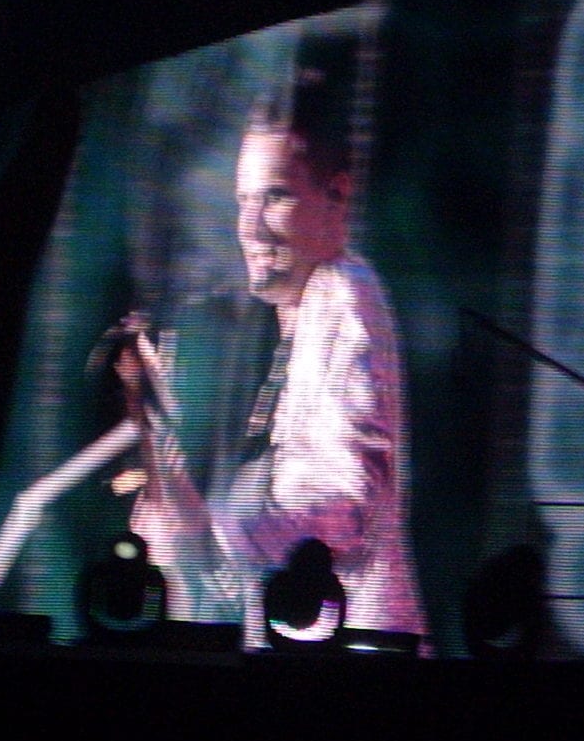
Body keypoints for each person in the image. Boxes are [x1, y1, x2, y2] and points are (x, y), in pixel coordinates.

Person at [120, 81, 427, 646]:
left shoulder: (343, 296)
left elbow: (344, 504)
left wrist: (213, 531)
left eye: (275, 197)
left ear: (336, 197)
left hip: (348, 653)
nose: (251, 227)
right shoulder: (299, 312)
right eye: (244, 201)